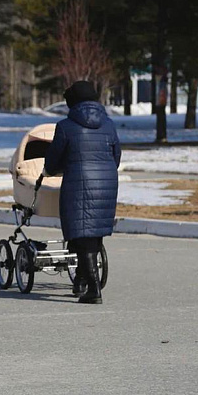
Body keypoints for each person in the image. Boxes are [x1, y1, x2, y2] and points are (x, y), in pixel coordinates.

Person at [44, 80, 121, 304]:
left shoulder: (66, 126)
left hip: (78, 182)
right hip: (106, 181)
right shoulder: (109, 125)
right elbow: (116, 155)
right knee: (93, 234)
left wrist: (50, 171)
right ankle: (80, 279)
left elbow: (54, 159)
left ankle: (93, 289)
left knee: (81, 232)